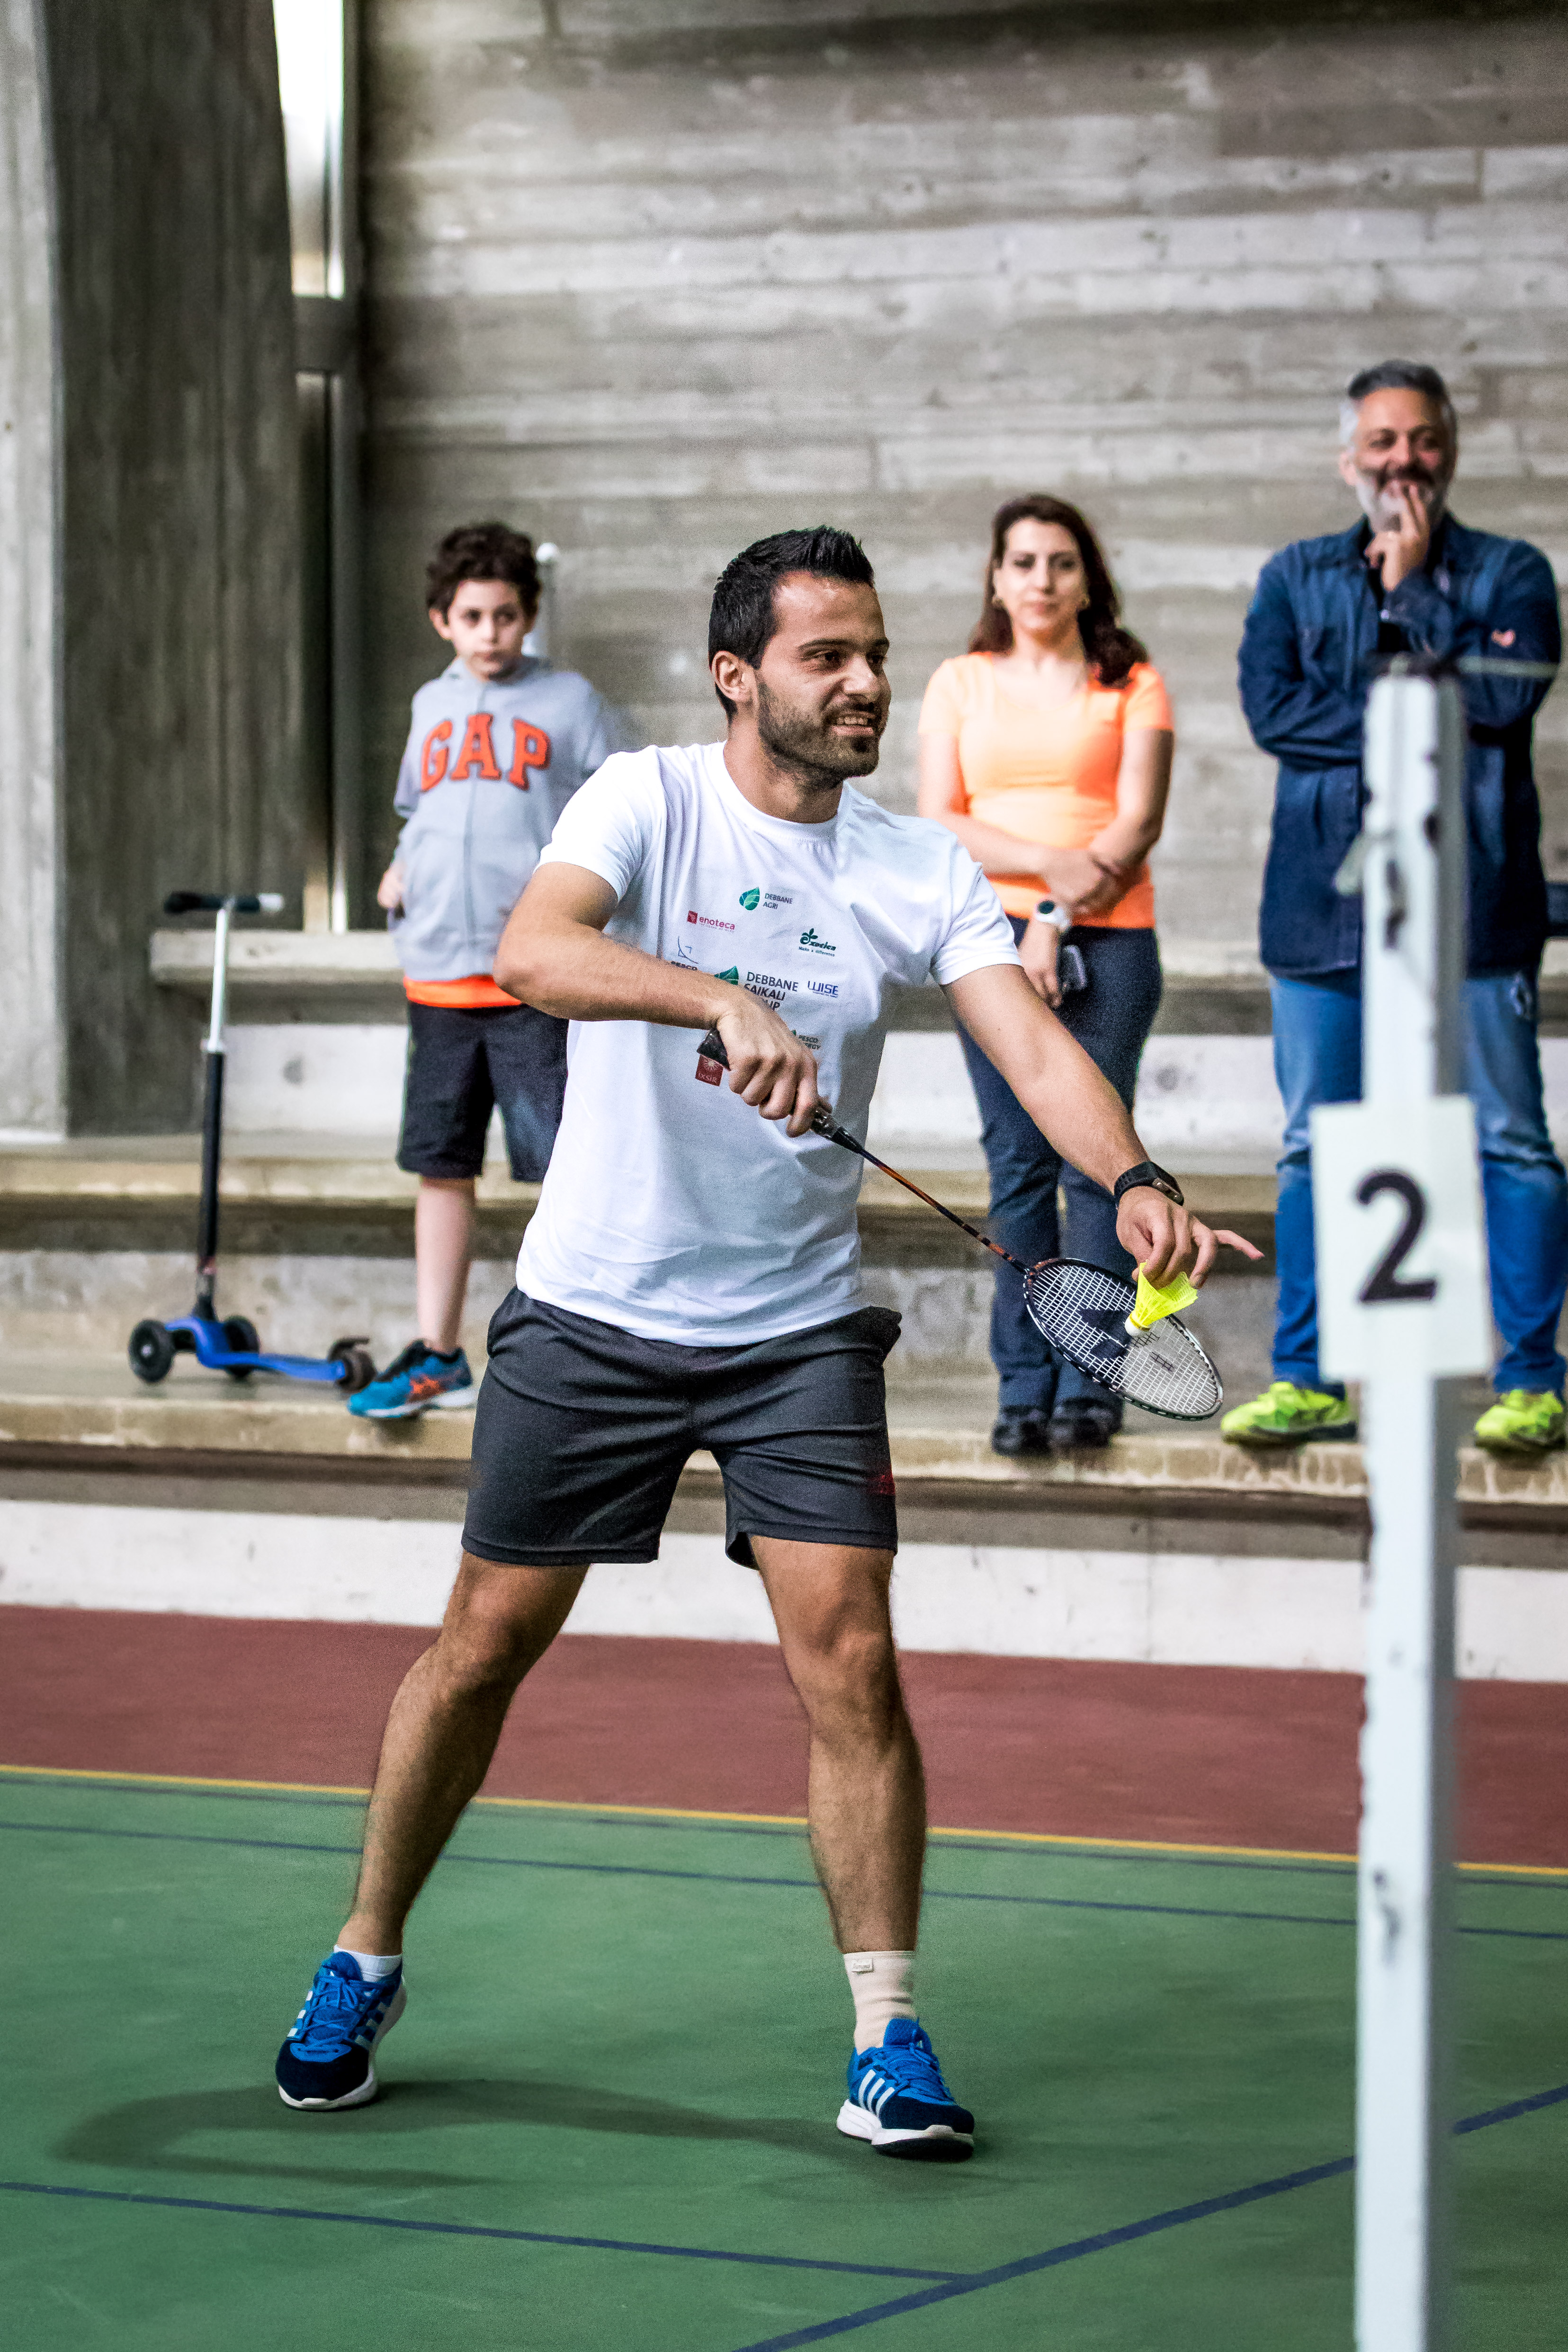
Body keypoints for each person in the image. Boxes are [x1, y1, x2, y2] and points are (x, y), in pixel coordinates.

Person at [273, 527, 1253, 2156]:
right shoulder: (646, 799)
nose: (866, 683)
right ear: (740, 675)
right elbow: (533, 950)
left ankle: (888, 2035)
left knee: (852, 1655)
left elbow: (1031, 1048)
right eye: (828, 657)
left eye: (875, 655)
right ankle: (363, 1951)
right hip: (596, 1306)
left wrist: (1134, 1176)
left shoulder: (916, 865)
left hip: (794, 1328)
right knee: (484, 1644)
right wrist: (716, 998)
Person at [1225, 360, 1567, 1456]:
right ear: (1350, 460)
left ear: (1449, 450)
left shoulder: (1513, 572)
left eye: (1421, 439)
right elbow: (1275, 715)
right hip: (1323, 916)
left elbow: (1503, 701)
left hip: (1475, 911)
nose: (1403, 461)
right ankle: (1310, 1378)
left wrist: (1415, 593)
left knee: (1509, 1144)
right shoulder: (1294, 576)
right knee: (1312, 1149)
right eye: (1382, 441)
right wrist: (1426, 689)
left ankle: (1534, 1383)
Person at [917, 496, 1174, 1454]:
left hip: (1110, 938)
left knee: (1098, 1164)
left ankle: (1094, 1380)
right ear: (996, 577)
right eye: (1023, 562)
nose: (1041, 580)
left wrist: (1056, 913)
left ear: (1087, 579)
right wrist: (1041, 873)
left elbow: (1135, 824)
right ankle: (1024, 1384)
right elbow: (940, 819)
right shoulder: (959, 683)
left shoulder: (1132, 681)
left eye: (1061, 562)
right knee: (1018, 1166)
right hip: (986, 940)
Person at [350, 521, 618, 1421]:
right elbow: (420, 810)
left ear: (528, 615)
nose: (490, 632)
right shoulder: (431, 704)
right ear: (443, 620)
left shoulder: (571, 702)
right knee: (442, 1166)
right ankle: (438, 1353)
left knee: (564, 1169)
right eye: (472, 617)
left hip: (529, 981)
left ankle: (583, 1353)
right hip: (436, 977)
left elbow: (619, 813)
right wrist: (402, 869)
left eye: (506, 615)